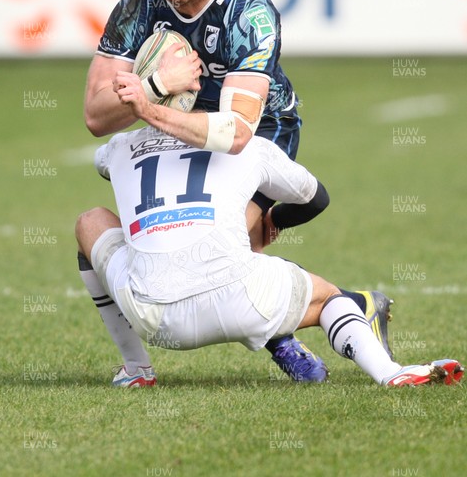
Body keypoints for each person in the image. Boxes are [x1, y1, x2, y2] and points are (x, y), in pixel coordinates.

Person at [83, 0, 394, 378]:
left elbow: (236, 132)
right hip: (175, 127)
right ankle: (310, 326)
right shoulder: (138, 5)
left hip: (259, 129)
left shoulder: (250, 14)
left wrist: (147, 106)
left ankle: (290, 336)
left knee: (227, 247)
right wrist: (155, 87)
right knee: (199, 249)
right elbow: (96, 117)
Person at [75, 124, 463, 388]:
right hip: (244, 300)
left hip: (154, 318)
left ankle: (137, 368)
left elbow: (107, 160)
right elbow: (316, 198)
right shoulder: (250, 142)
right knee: (328, 297)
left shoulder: (119, 147)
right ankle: (388, 373)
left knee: (90, 221)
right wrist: (270, 220)